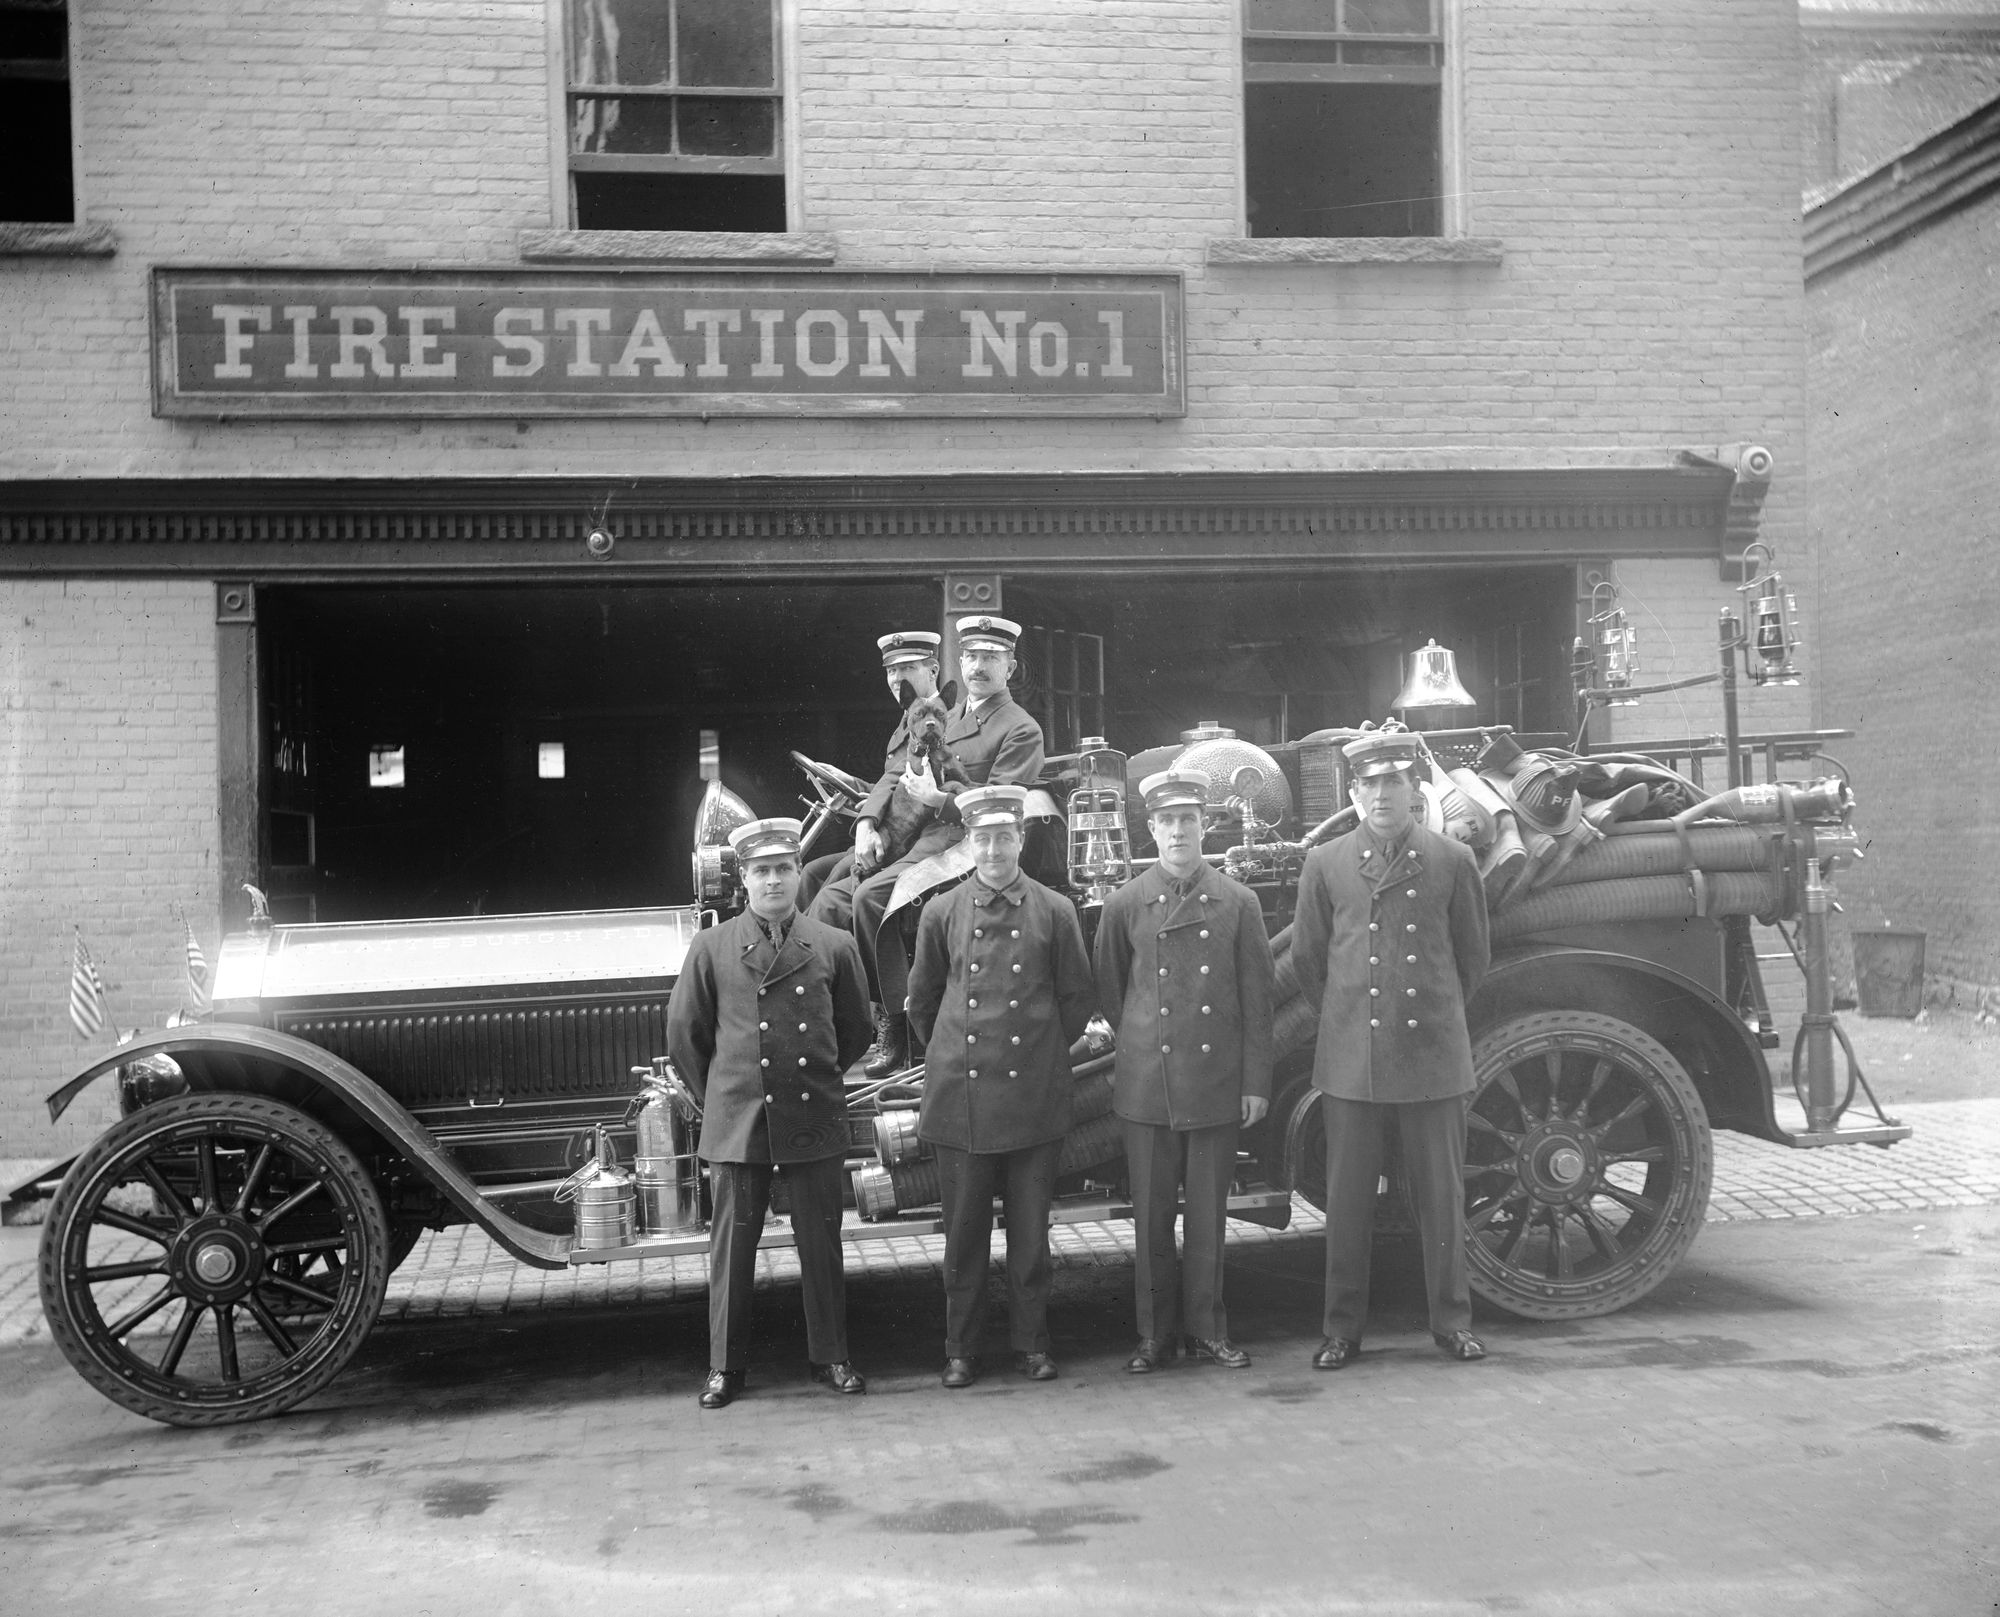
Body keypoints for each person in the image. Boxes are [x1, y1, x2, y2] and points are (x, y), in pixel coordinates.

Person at [1288, 729, 1492, 1369]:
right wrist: (1353, 1018)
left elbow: (1473, 960)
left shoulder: (1452, 861)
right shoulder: (1325, 864)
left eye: (1393, 783)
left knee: (1441, 1202)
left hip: (1432, 1056)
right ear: (1353, 793)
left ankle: (1451, 1323)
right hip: (1353, 1062)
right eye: (1369, 784)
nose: (1381, 794)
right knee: (1347, 1206)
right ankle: (1342, 1330)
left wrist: (1421, 1011)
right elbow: (1307, 962)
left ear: (1413, 791)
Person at [664, 817, 877, 1409]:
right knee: (731, 1248)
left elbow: (856, 1029)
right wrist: (723, 1098)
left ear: (796, 876)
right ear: (744, 879)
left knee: (822, 1242)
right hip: (739, 1119)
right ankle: (724, 1367)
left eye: (784, 868)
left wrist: (813, 1076)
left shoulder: (834, 945)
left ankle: (831, 1356)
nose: (775, 881)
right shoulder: (712, 947)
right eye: (762, 871)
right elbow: (685, 1035)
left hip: (811, 1111)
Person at [906, 782, 1095, 1388]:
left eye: (1003, 837)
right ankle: (960, 1349)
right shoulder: (941, 911)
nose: (992, 849)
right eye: (982, 838)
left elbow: (1075, 999)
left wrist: (1038, 1055)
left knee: (1031, 1237)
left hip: (1032, 1096)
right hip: (962, 1099)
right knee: (963, 1237)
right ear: (969, 842)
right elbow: (923, 1003)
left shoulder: (1055, 910)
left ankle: (1031, 1345)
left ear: (1020, 839)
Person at [1093, 766, 1274, 1373]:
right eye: (1167, 822)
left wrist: (1255, 1084)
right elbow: (1114, 994)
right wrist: (1146, 1045)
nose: (1178, 832)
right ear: (1150, 830)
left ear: (1205, 826)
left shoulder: (1238, 902)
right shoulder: (1123, 904)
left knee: (1207, 1218)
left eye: (1188, 821)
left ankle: (1207, 1331)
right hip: (1149, 1085)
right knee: (1151, 1221)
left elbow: (1257, 1002)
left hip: (1216, 1082)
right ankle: (1153, 1338)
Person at [848, 614, 1045, 1077]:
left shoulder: (1020, 728)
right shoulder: (946, 714)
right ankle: (846, 1021)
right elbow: (898, 770)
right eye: (972, 656)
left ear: (1010, 668)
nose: (978, 666)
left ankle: (894, 1024)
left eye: (990, 658)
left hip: (963, 843)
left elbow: (1001, 806)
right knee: (827, 885)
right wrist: (867, 821)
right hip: (915, 835)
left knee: (870, 897)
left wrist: (940, 800)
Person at [804, 629, 944, 928]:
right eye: (891, 670)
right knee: (812, 872)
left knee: (832, 893)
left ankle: (809, 951)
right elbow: (896, 784)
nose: (896, 679)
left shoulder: (940, 720)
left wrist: (870, 820)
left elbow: (915, 790)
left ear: (933, 670)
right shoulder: (906, 720)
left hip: (913, 839)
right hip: (895, 830)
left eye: (907, 668)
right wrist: (850, 782)